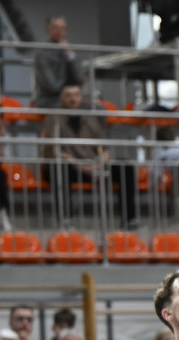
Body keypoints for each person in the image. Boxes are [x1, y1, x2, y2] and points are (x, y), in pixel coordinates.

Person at [40, 84, 138, 227]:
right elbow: (53, 150)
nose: (72, 99)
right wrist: (78, 165)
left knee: (125, 168)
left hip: (92, 165)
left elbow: (103, 147)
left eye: (76, 95)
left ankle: (130, 220)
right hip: (69, 165)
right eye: (68, 95)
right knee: (58, 169)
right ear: (62, 98)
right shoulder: (53, 118)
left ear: (81, 97)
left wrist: (101, 161)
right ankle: (65, 219)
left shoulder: (91, 118)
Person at [33, 16, 82, 107]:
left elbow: (79, 79)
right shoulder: (42, 54)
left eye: (62, 28)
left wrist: (71, 56)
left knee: (98, 109)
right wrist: (69, 90)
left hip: (72, 98)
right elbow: (52, 86)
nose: (59, 31)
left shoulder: (70, 52)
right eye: (55, 28)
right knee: (69, 105)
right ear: (48, 30)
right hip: (50, 100)